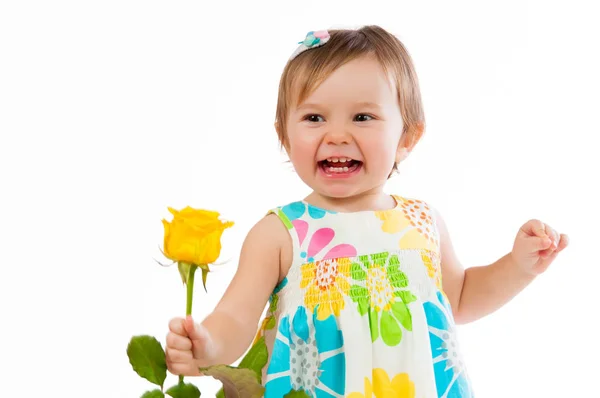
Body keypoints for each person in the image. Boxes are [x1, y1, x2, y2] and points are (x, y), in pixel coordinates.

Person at [164, 25, 569, 397]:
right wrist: (209, 344)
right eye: (313, 117)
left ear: (407, 136)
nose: (337, 135)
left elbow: (460, 297)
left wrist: (518, 266)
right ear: (284, 135)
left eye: (362, 117)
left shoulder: (422, 223)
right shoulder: (281, 233)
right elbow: (237, 317)